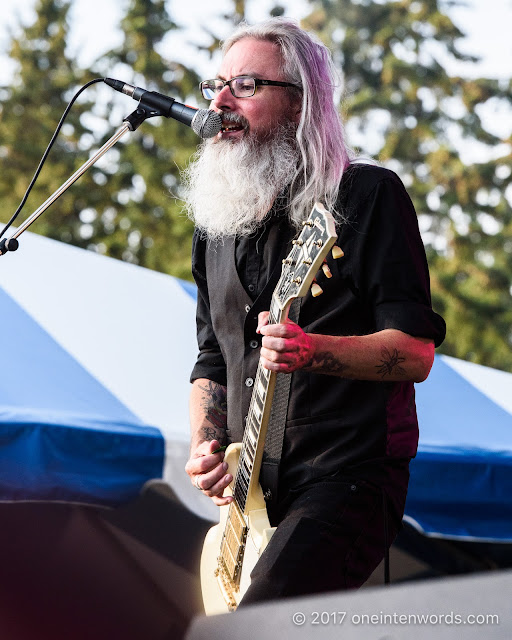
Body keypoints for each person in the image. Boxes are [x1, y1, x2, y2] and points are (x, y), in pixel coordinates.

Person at [183, 17, 445, 605]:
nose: (221, 101)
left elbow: (415, 352)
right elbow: (210, 359)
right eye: (215, 85)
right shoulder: (215, 227)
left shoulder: (366, 196)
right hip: (250, 497)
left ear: (301, 103)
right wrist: (205, 443)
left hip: (346, 476)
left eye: (246, 85)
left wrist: (314, 350)